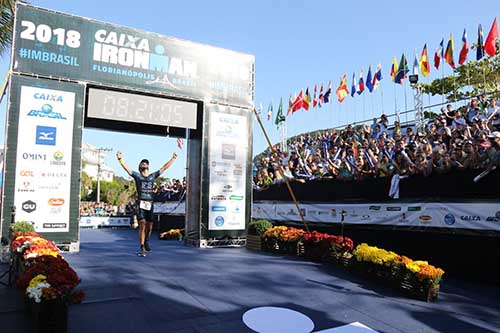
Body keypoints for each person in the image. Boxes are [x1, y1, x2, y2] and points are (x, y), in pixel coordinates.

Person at [116, 150, 178, 257]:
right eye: (142, 163)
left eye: (146, 163)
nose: (144, 164)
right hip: (141, 203)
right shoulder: (137, 176)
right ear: (140, 167)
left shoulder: (152, 176)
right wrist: (120, 159)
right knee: (142, 224)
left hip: (150, 204)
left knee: (150, 226)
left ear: (148, 166)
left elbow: (164, 167)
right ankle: (141, 247)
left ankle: (146, 241)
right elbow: (127, 169)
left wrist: (173, 158)